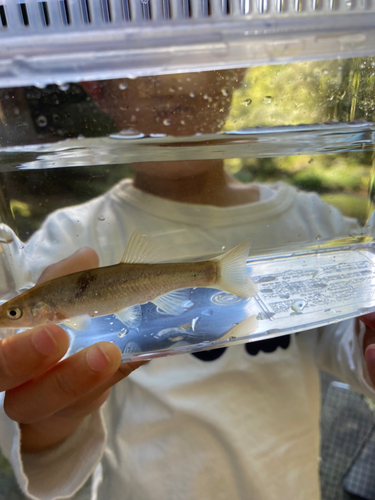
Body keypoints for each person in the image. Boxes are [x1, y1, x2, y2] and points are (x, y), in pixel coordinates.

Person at [0, 68, 375, 500]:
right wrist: (52, 423)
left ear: (236, 71)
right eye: (139, 62)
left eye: (193, 52)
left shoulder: (319, 224)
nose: (168, 77)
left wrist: (365, 345)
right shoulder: (63, 242)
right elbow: (34, 437)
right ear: (98, 88)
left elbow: (347, 341)